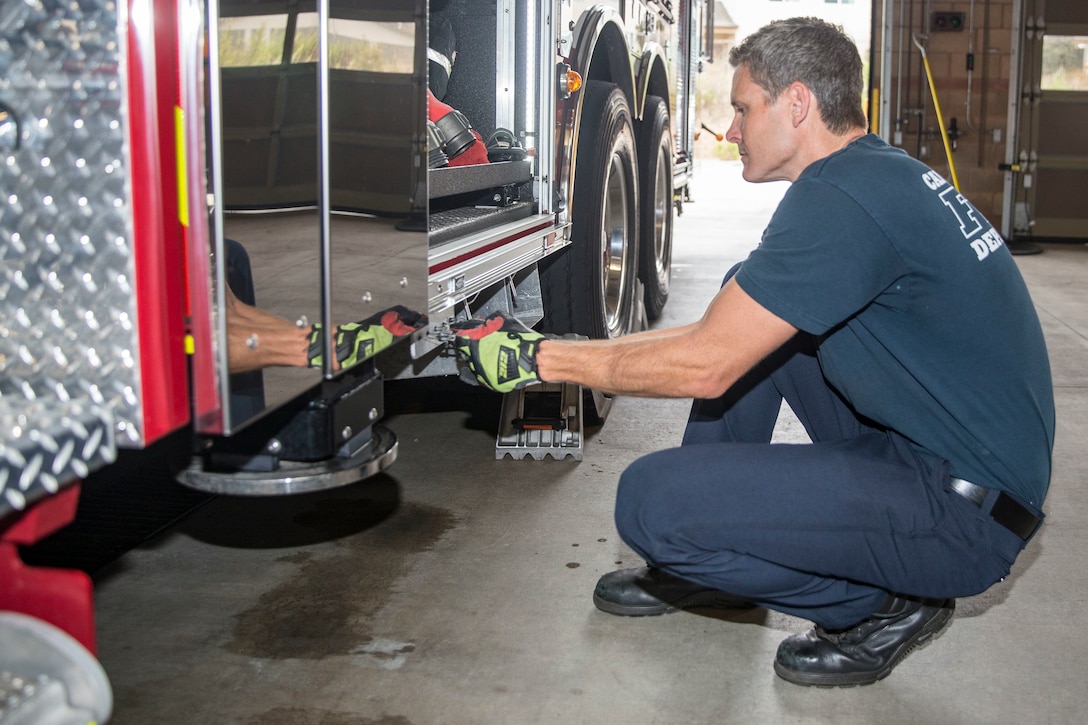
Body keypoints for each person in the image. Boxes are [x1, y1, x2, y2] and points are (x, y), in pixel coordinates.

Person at [451, 17, 1055, 687]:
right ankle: (707, 568)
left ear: (797, 103)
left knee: (649, 503)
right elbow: (721, 337)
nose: (731, 129)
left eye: (743, 108)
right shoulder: (870, 174)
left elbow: (707, 363)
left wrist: (543, 359)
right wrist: (577, 347)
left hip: (961, 516)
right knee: (748, 293)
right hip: (933, 451)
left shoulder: (842, 198)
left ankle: (885, 601)